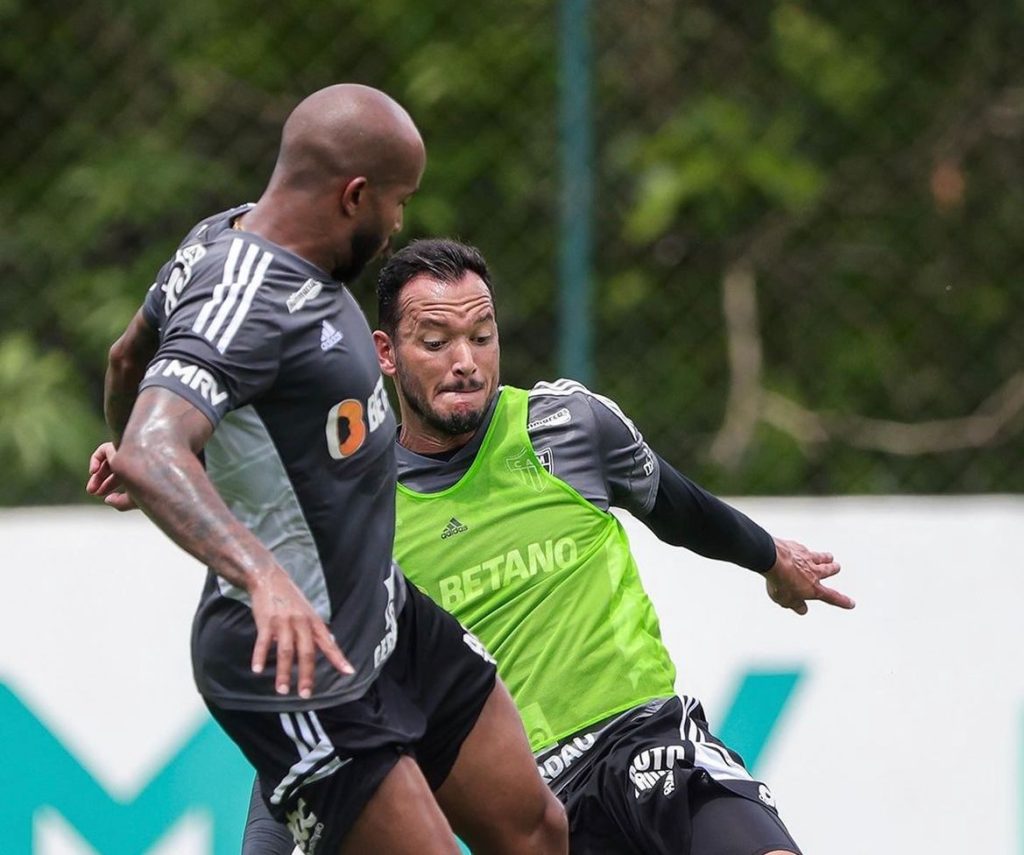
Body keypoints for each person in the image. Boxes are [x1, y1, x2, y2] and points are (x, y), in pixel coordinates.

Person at [239, 237, 855, 854]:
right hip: (529, 816)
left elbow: (678, 506)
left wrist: (772, 559)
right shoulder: (359, 517)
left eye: (482, 336)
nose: (466, 362)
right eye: (436, 342)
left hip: (650, 744)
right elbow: (303, 728)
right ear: (388, 354)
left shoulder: (567, 426)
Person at [86, 89, 566, 855]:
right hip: (299, 662)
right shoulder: (244, 299)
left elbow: (127, 360)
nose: (400, 226)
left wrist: (152, 442)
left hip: (383, 613)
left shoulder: (223, 234)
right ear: (353, 197)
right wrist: (250, 562)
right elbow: (151, 443)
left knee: (535, 829)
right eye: (398, 203)